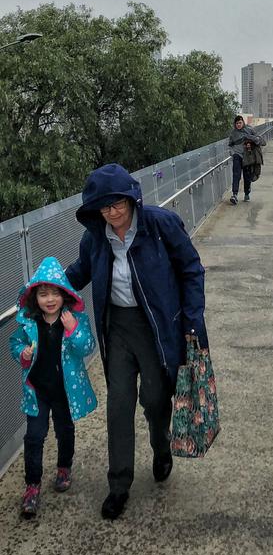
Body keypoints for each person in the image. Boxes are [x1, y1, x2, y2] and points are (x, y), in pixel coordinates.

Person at [66, 162, 208, 520]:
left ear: (131, 200)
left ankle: (161, 447)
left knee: (156, 398)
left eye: (118, 204)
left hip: (157, 325)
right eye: (104, 206)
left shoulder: (160, 225)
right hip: (118, 328)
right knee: (119, 405)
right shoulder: (96, 236)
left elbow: (191, 268)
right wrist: (45, 287)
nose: (113, 213)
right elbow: (79, 272)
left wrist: (192, 319)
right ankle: (119, 485)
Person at [9, 257, 97, 519]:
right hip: (37, 391)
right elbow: (14, 345)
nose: (49, 299)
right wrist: (22, 353)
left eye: (55, 293)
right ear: (34, 297)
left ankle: (63, 467)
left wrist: (73, 331)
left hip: (64, 392)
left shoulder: (74, 319)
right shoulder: (28, 324)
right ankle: (32, 486)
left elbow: (88, 347)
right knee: (34, 437)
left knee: (65, 430)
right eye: (43, 294)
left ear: (65, 295)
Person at [229, 115, 265, 204]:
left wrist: (250, 139)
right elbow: (230, 144)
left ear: (243, 122)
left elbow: (260, 140)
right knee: (236, 175)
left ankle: (247, 193)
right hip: (237, 155)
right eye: (237, 123)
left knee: (247, 176)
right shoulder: (233, 133)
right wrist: (232, 153)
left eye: (240, 123)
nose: (238, 125)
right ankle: (234, 194)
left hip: (247, 156)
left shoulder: (249, 130)